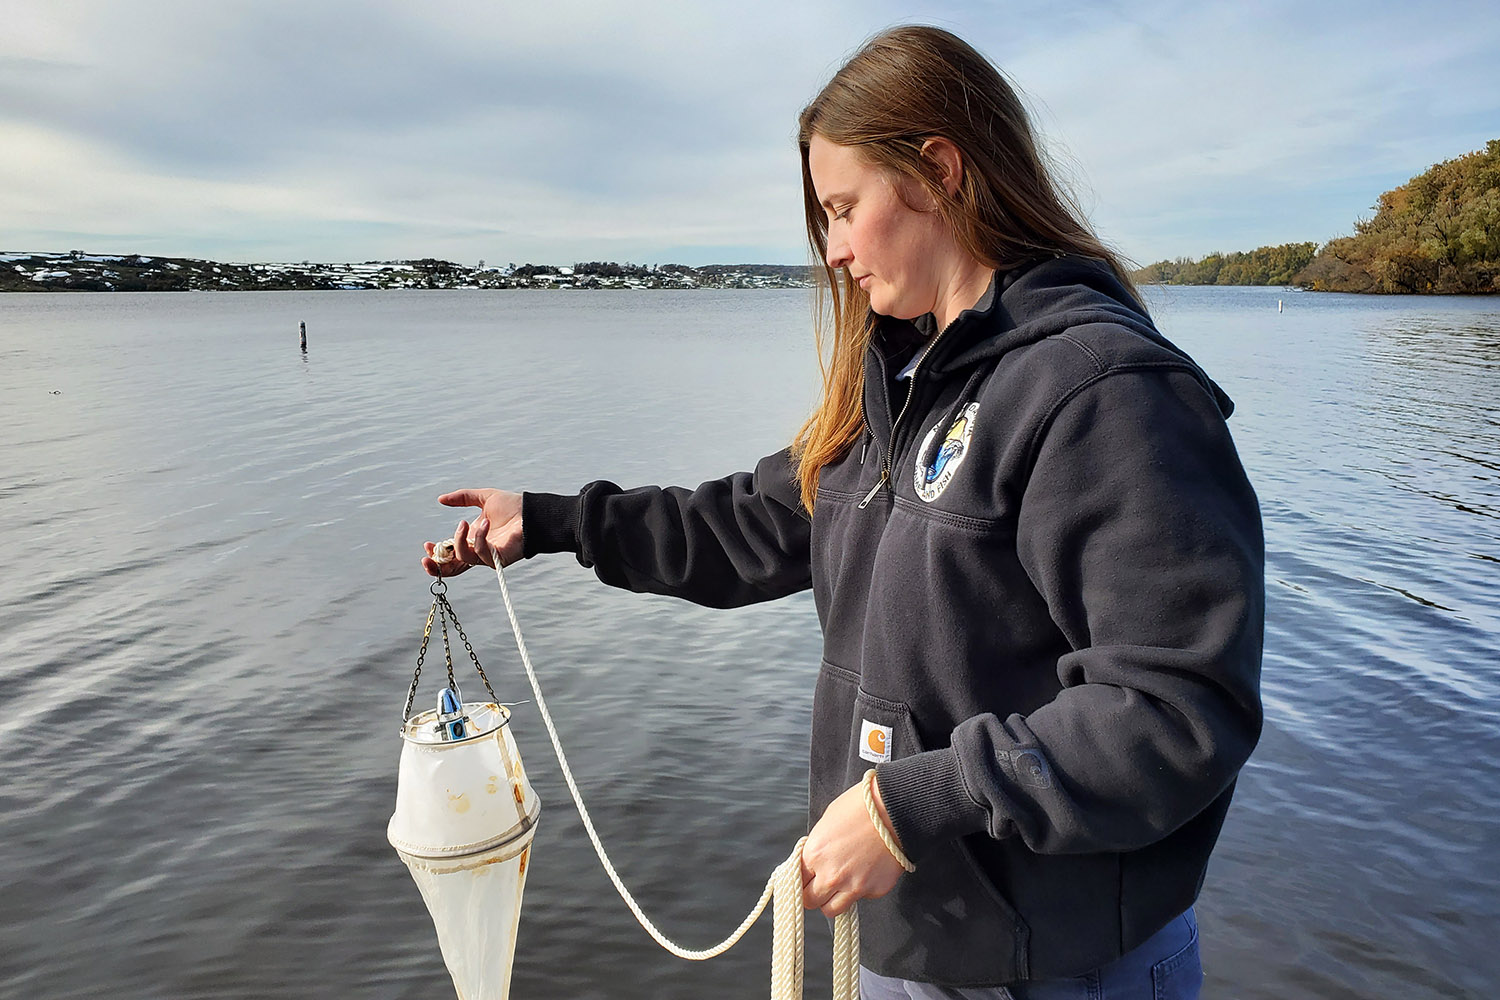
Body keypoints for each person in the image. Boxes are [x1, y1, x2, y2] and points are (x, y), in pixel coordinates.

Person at [421, 25, 1262, 1000]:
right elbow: (742, 524)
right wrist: (556, 520)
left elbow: (1176, 709)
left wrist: (913, 803)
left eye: (845, 209)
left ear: (940, 172)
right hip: (916, 940)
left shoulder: (1105, 394)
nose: (832, 250)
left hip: (1055, 965)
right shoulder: (899, 393)